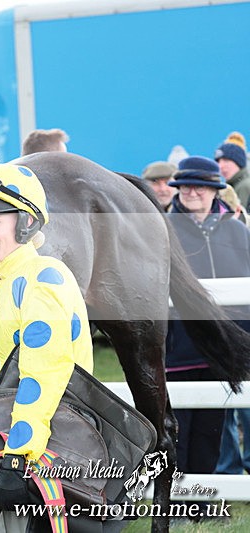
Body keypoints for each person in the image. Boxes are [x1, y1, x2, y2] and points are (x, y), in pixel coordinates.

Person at [0, 162, 94, 531]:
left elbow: (42, 373)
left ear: (27, 222)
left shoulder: (43, 278)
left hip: (35, 449)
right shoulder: (7, 277)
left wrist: (18, 456)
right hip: (16, 440)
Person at [165, 156, 250, 517]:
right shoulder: (162, 229)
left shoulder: (236, 230)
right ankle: (178, 504)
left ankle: (201, 503)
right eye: (185, 185)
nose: (192, 192)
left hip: (224, 349)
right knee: (178, 431)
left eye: (199, 185)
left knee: (212, 431)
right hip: (178, 347)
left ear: (215, 189)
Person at [215, 132, 250, 208]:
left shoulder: (244, 187)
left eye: (226, 160)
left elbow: (240, 218)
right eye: (218, 162)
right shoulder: (233, 185)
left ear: (238, 162)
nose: (221, 166)